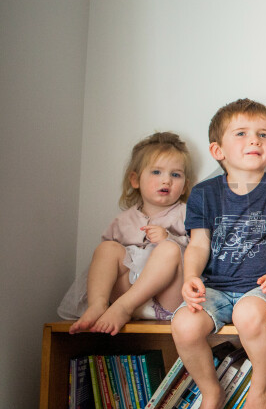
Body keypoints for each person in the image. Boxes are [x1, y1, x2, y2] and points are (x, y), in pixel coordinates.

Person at [171, 99, 266, 409]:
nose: (254, 140)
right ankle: (211, 391)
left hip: (262, 290)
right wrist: (191, 278)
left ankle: (262, 386)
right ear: (217, 149)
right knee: (184, 325)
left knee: (248, 316)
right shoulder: (204, 194)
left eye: (262, 134)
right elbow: (197, 245)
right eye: (241, 133)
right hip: (215, 288)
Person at [68, 132, 194, 334]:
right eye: (156, 172)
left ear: (185, 186)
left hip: (166, 302)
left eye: (175, 175)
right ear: (135, 179)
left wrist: (169, 238)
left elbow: (199, 254)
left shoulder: (187, 213)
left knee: (169, 249)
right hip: (125, 295)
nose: (166, 181)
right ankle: (98, 305)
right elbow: (104, 267)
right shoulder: (122, 221)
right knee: (107, 249)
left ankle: (123, 308)